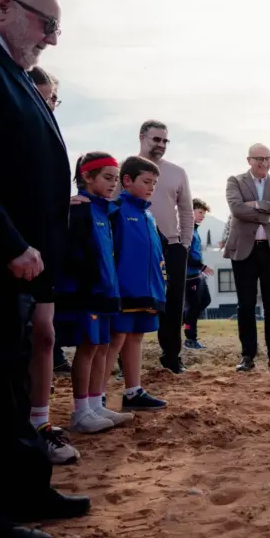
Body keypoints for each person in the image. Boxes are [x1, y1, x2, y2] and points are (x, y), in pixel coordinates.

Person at [0, 0, 89, 538]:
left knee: (8, 383)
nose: (53, 37)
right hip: (4, 258)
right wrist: (8, 241)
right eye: (45, 22)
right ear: (2, 7)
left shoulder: (16, 76)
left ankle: (24, 491)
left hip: (23, 266)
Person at [54, 152, 134, 438]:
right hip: (88, 292)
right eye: (107, 178)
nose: (114, 184)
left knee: (101, 347)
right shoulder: (77, 211)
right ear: (87, 177)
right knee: (88, 349)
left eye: (116, 179)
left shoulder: (104, 211)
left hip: (106, 292)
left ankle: (95, 403)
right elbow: (72, 255)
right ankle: (80, 411)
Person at [120, 120, 194, 375]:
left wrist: (184, 244)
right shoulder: (125, 169)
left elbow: (186, 210)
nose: (161, 145)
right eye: (156, 139)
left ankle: (172, 357)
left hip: (172, 246)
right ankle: (123, 364)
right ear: (142, 137)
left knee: (173, 304)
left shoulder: (177, 172)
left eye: (165, 141)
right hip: (134, 247)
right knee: (129, 300)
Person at [104, 156, 168, 411]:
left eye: (154, 183)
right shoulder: (115, 211)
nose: (151, 187)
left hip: (146, 291)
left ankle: (133, 391)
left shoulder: (149, 216)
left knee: (136, 337)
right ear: (127, 180)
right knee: (115, 338)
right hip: (122, 290)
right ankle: (97, 394)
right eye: (146, 182)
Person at [224, 144, 270, 372]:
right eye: (258, 158)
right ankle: (247, 356)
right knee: (246, 306)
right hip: (244, 250)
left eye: (267, 158)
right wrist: (268, 215)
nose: (263, 162)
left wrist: (258, 205)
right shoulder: (235, 181)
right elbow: (237, 209)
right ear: (249, 160)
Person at [26, 67, 72, 380]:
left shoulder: (48, 130)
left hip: (44, 244)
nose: (52, 103)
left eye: (55, 99)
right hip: (21, 241)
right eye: (48, 97)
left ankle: (38, 414)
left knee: (44, 333)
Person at [183, 198, 214, 350]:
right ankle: (190, 339)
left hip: (198, 275)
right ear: (191, 211)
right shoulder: (187, 230)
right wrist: (202, 267)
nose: (202, 216)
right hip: (190, 276)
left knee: (205, 301)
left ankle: (185, 317)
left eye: (204, 213)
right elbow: (186, 256)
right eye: (200, 212)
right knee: (194, 307)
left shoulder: (195, 229)